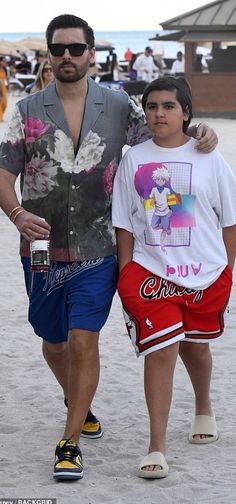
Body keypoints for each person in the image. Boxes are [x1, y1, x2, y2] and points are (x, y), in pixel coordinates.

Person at [0, 13, 217, 482]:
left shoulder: (121, 107)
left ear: (91, 55)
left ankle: (70, 440)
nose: (67, 56)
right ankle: (79, 402)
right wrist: (17, 213)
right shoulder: (26, 111)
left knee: (83, 339)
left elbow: (165, 139)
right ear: (51, 56)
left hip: (101, 245)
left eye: (76, 49)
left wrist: (201, 134)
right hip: (40, 249)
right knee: (53, 342)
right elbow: (3, 173)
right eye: (58, 49)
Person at [112, 76, 236, 479]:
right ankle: (157, 445)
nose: (159, 113)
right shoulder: (133, 157)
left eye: (168, 106)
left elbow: (230, 220)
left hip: (205, 273)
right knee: (162, 350)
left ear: (186, 111)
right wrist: (126, 274)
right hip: (151, 273)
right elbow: (124, 222)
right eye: (152, 106)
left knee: (194, 349)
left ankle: (204, 407)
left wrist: (227, 269)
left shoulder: (209, 155)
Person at [0, 56, 8, 122]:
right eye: (3, 61)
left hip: (4, 87)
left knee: (5, 103)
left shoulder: (4, 69)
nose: (5, 62)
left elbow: (6, 79)